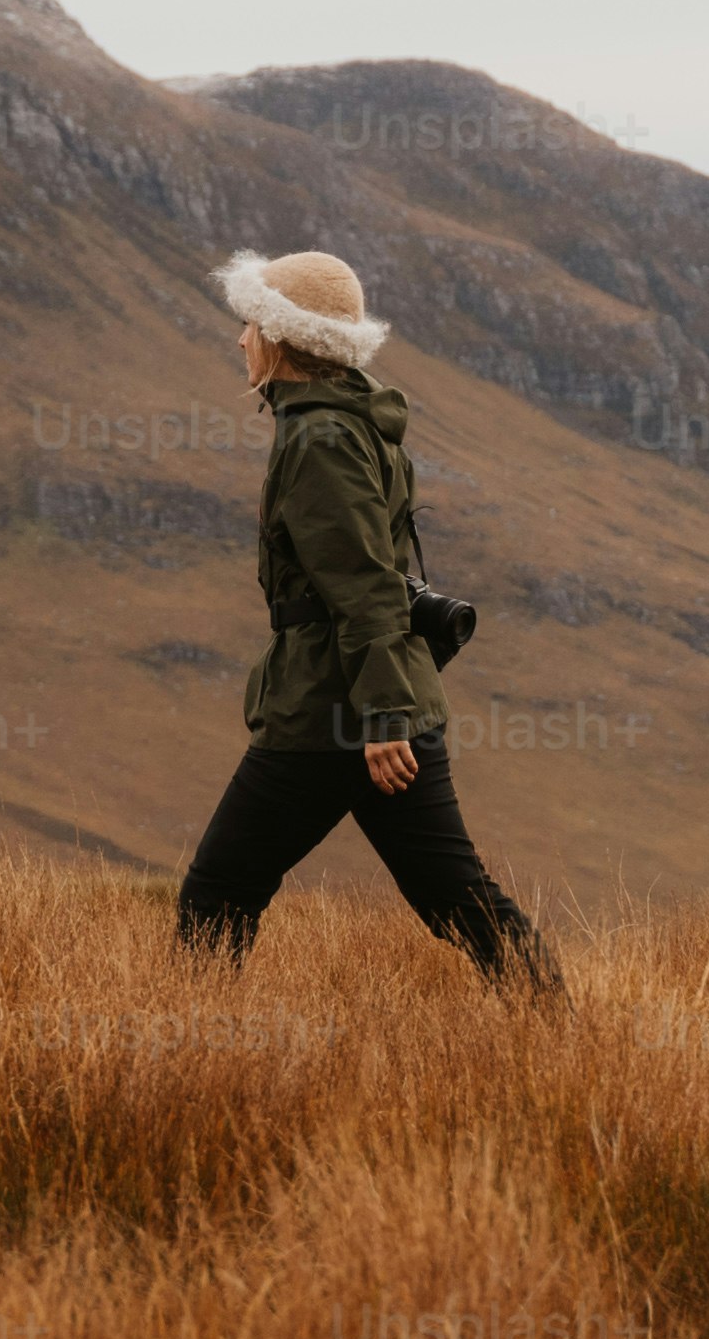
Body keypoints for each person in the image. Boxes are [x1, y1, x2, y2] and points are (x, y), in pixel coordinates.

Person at [168, 249, 559, 992]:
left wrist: (381, 719)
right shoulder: (350, 419)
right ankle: (559, 1027)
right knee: (453, 895)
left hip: (332, 709)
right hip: (375, 701)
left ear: (282, 337)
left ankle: (189, 1049)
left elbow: (364, 585)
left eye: (250, 325)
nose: (240, 340)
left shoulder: (319, 440)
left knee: (218, 894)